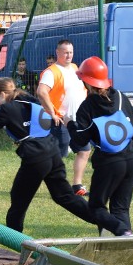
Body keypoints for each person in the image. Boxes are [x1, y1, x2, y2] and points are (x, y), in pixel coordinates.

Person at [0, 78, 96, 233]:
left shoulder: (8, 109)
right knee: (64, 196)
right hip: (52, 149)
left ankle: (13, 239)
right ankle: (105, 220)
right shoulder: (30, 101)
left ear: (2, 94)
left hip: (36, 156)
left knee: (18, 200)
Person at [67, 57, 133, 236]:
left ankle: (123, 232)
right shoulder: (120, 97)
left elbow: (79, 141)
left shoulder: (87, 107)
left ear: (87, 82)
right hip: (131, 157)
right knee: (121, 208)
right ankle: (122, 246)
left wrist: (69, 124)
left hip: (109, 162)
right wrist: (128, 146)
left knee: (96, 207)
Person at [37, 39, 91, 196]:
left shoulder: (75, 68)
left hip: (79, 120)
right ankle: (54, 186)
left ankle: (77, 185)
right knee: (58, 157)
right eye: (66, 52)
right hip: (60, 121)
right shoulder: (51, 72)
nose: (69, 55)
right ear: (58, 53)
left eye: (71, 52)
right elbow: (41, 92)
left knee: (84, 151)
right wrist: (52, 113)